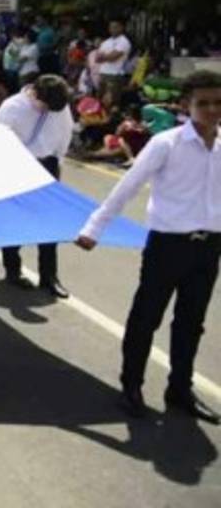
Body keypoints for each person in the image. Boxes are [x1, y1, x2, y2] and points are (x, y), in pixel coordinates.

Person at [76, 70, 221, 423]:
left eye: (218, 103)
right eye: (203, 103)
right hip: (168, 246)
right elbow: (128, 186)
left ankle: (180, 389)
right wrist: (94, 227)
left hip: (209, 247)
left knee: (191, 322)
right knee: (146, 318)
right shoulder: (166, 143)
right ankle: (131, 387)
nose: (212, 110)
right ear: (185, 105)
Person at [0, 75, 75, 298]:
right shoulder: (12, 108)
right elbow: (0, 143)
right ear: (34, 94)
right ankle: (13, 270)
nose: (49, 112)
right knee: (15, 222)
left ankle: (49, 276)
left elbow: (65, 134)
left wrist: (58, 164)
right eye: (45, 107)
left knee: (49, 223)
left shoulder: (60, 106)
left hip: (47, 165)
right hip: (18, 166)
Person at [96, 19, 133, 97]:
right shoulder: (106, 42)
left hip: (115, 75)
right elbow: (97, 58)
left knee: (111, 100)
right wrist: (107, 56)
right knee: (100, 98)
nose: (113, 29)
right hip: (103, 73)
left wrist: (104, 56)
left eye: (115, 27)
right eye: (111, 27)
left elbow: (114, 57)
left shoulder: (124, 41)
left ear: (121, 28)